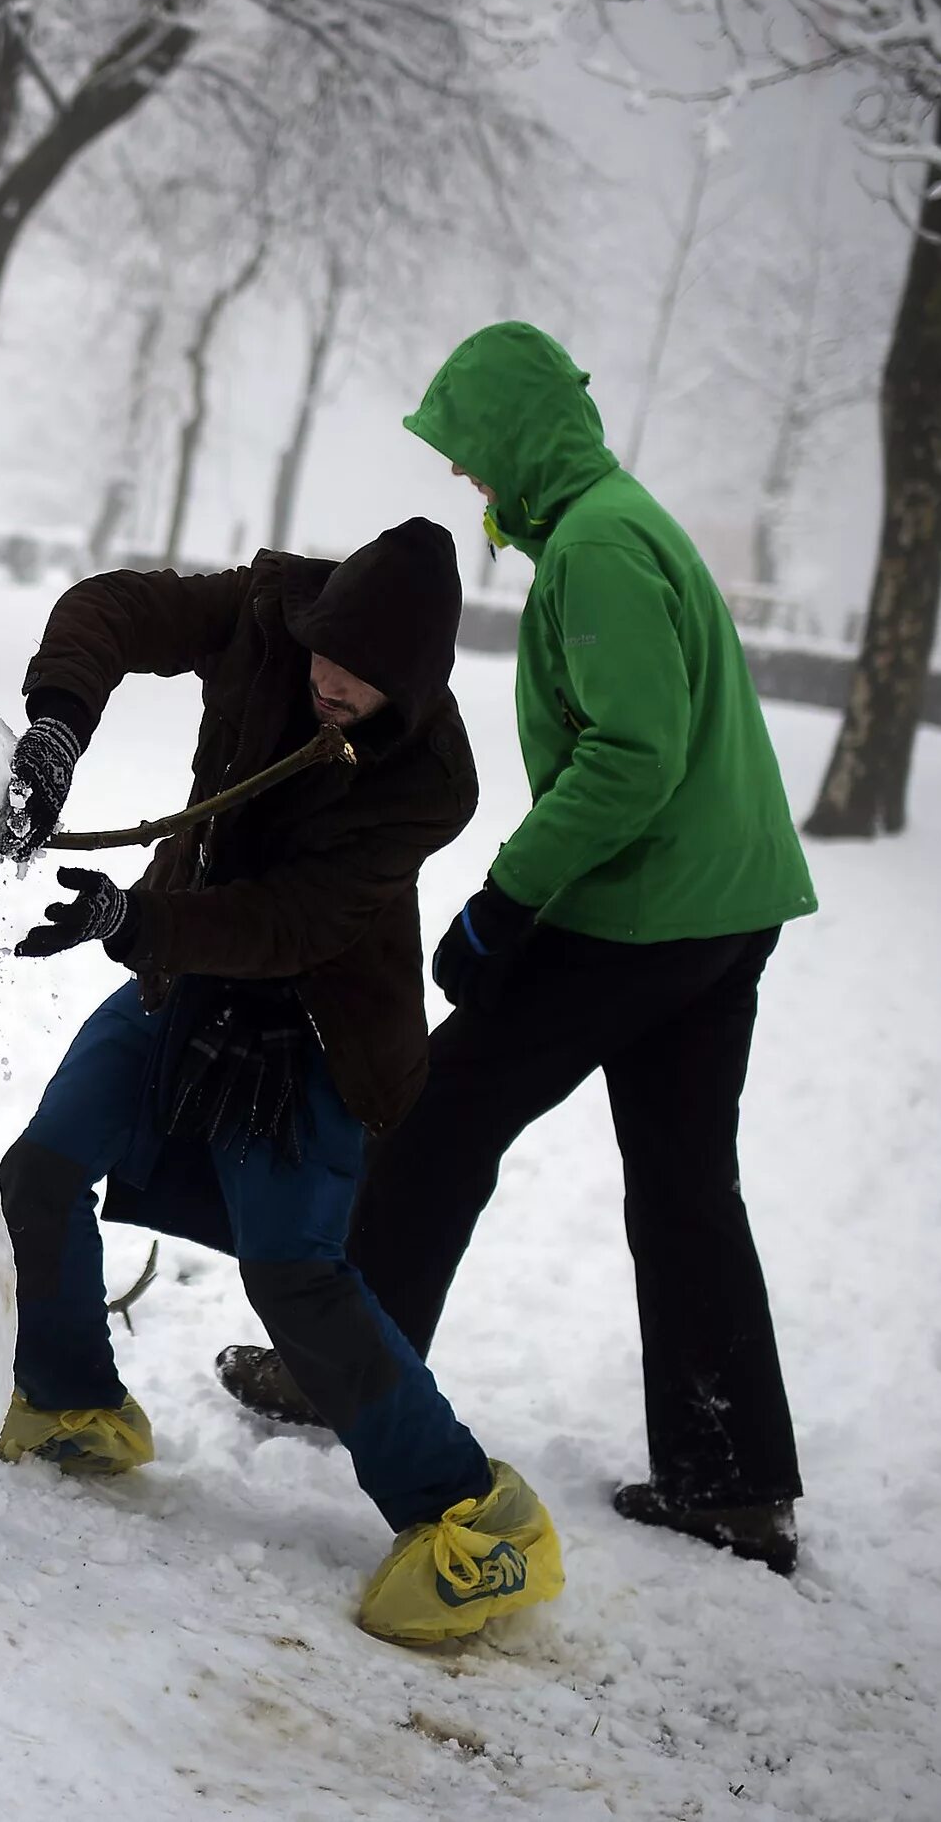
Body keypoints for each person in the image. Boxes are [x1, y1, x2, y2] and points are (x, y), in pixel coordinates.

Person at [0, 518, 565, 1646]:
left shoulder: (428, 782)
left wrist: (135, 914)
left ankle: (471, 1512)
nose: (328, 682)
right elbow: (110, 604)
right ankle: (70, 1402)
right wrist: (58, 728)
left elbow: (292, 920)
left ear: (414, 687)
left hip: (312, 1023)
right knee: (43, 1169)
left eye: (358, 678)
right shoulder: (268, 613)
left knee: (294, 1271)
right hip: (182, 975)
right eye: (323, 657)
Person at [331, 321, 816, 1573]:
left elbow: (633, 754)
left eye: (471, 447)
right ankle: (733, 1482)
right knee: (685, 1182)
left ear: (518, 433)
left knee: (436, 1111)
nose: (463, 475)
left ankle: (343, 1370)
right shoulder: (622, 519)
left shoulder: (597, 548)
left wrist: (509, 893)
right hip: (722, 907)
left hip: (642, 908)